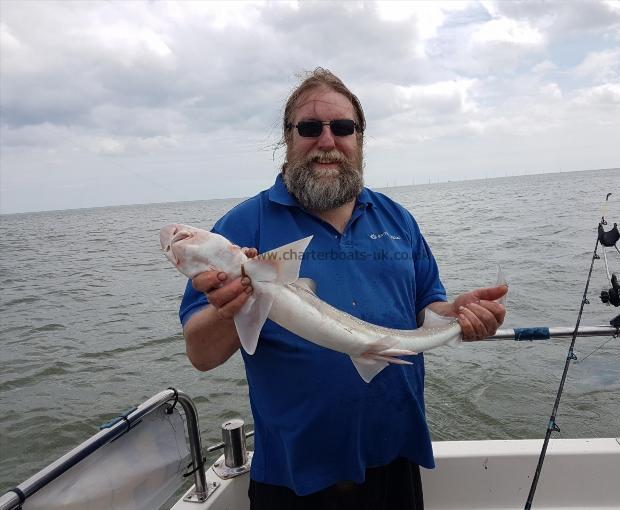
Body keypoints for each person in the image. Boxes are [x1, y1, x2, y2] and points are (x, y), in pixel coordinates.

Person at [179, 68, 507, 510]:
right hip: (294, 478)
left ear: (360, 138)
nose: (327, 141)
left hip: (395, 458)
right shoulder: (244, 228)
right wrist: (229, 308)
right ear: (288, 138)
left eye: (343, 128)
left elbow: (426, 309)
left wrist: (459, 317)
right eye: (310, 128)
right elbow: (201, 356)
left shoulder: (398, 220)